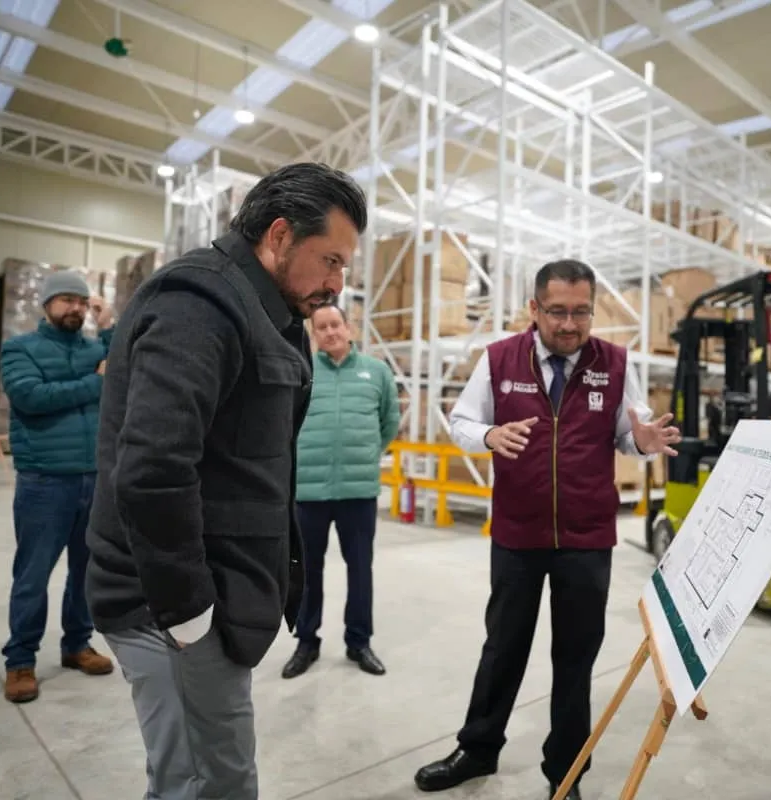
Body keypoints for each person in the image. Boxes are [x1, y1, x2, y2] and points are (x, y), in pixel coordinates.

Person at [85, 162, 367, 799]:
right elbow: (153, 470)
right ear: (277, 235)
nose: (337, 282)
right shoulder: (199, 304)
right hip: (169, 604)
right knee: (206, 782)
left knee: (216, 775)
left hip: (216, 593)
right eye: (330, 260)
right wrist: (190, 613)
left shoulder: (270, 313)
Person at [414, 259, 682, 799]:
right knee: (503, 647)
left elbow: (630, 434)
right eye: (557, 312)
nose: (569, 325)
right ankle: (478, 748)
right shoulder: (499, 359)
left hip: (586, 539)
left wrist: (642, 442)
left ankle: (566, 772)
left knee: (576, 659)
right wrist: (489, 435)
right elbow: (462, 421)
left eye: (581, 312)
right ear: (533, 309)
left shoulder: (614, 363)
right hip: (517, 533)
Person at [0, 273, 117, 704]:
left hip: (94, 477)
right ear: (47, 304)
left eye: (82, 302)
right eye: (66, 300)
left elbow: (125, 361)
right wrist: (96, 383)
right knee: (33, 574)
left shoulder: (93, 348)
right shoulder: (19, 348)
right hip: (45, 479)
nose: (75, 309)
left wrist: (108, 324)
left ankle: (77, 645)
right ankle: (20, 660)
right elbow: (31, 396)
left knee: (87, 572)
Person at [281, 301, 400, 680]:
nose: (330, 332)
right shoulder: (303, 371)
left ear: (349, 328)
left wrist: (365, 456)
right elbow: (286, 424)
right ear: (313, 334)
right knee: (307, 571)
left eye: (336, 324)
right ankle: (306, 642)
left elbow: (389, 422)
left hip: (358, 491)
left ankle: (359, 642)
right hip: (309, 493)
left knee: (360, 570)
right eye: (322, 327)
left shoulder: (376, 372)